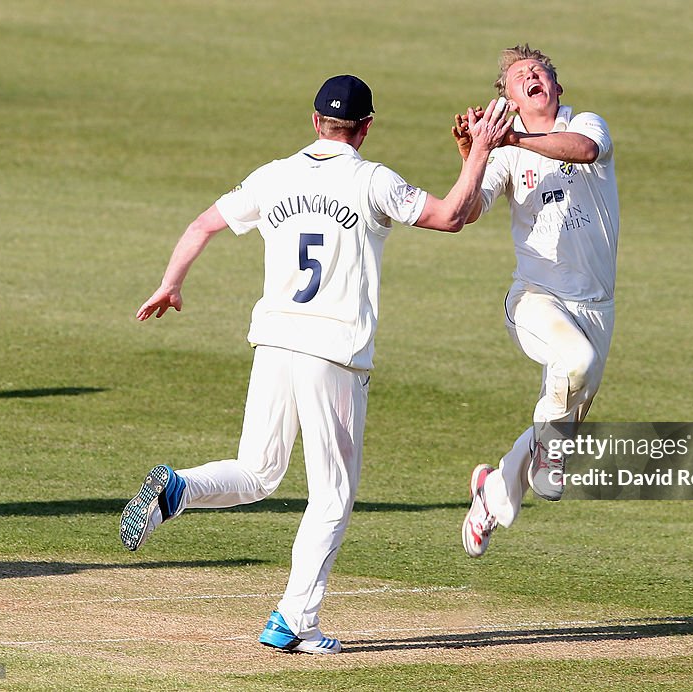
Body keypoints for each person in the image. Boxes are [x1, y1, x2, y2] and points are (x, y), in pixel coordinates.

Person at [120, 75, 512, 654]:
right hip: (334, 352)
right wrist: (480, 150)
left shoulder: (274, 175)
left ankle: (178, 489)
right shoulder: (372, 179)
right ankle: (294, 622)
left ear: (315, 122)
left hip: (275, 341)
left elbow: (202, 224)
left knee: (257, 472)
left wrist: (169, 284)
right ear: (367, 127)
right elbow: (452, 215)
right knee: (331, 497)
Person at [452, 45, 620, 558]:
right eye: (517, 77)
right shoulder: (506, 153)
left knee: (565, 400)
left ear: (556, 86)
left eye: (538, 71)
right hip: (535, 301)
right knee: (575, 365)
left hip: (596, 307)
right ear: (506, 96)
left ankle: (492, 492)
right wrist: (476, 154)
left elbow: (584, 151)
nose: (530, 77)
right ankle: (550, 455)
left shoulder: (587, 124)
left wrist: (515, 136)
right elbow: (472, 208)